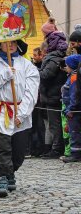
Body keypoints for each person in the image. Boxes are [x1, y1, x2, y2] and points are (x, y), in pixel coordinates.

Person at [0, 40, 39, 198]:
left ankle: (10, 171)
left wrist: (21, 113)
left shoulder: (27, 66)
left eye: (13, 42)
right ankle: (1, 177)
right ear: (0, 45)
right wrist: (5, 74)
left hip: (20, 112)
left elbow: (31, 93)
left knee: (18, 150)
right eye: (6, 43)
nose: (10, 45)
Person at [39, 19, 68, 159]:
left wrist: (35, 72)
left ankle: (57, 149)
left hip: (53, 95)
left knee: (55, 125)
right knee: (55, 124)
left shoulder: (54, 57)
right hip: (54, 94)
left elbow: (46, 75)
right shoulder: (58, 56)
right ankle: (57, 147)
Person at [61, 55, 81, 163]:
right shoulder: (72, 76)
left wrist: (71, 109)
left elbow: (74, 95)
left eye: (67, 65)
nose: (65, 67)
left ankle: (75, 154)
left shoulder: (74, 77)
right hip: (73, 108)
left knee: (74, 132)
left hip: (73, 110)